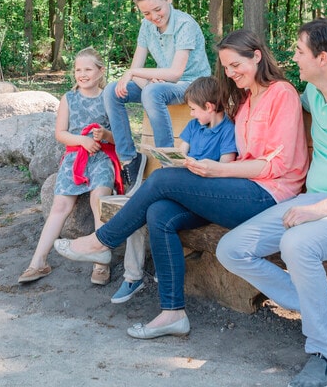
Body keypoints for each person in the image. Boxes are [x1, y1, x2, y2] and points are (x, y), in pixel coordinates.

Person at [54, 29, 309, 339]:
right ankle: (173, 313)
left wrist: (216, 170)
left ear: (256, 56)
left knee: (161, 179)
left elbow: (278, 165)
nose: (230, 73)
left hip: (268, 196)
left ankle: (102, 241)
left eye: (235, 65)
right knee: (160, 213)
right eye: (226, 67)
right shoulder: (244, 100)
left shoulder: (281, 93)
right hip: (237, 190)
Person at [216, 18, 327, 387]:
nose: (293, 57)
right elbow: (275, 109)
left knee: (296, 243)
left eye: (299, 51)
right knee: (232, 249)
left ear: (322, 57)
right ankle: (324, 310)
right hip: (314, 200)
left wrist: (316, 211)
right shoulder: (313, 93)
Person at [110, 75, 238, 305]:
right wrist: (176, 160)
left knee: (145, 203)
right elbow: (180, 153)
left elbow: (225, 169)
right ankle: (133, 276)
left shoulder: (228, 130)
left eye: (193, 109)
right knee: (144, 207)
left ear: (209, 107)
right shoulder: (194, 126)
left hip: (204, 192)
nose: (190, 114)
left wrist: (200, 168)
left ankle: (112, 246)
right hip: (183, 184)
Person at [18, 47, 123, 286]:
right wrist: (83, 140)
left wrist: (105, 134)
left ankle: (100, 262)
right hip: (75, 157)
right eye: (78, 70)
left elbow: (121, 138)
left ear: (100, 71)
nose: (82, 74)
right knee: (60, 206)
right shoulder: (69, 98)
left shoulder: (109, 97)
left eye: (88, 69)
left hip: (102, 157)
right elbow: (60, 133)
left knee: (99, 201)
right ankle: (38, 261)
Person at [105, 0, 212, 194]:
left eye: (157, 9)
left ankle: (166, 165)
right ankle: (129, 159)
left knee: (153, 90)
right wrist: (146, 82)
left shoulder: (185, 24)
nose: (153, 17)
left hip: (194, 85)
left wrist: (143, 79)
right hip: (166, 85)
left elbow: (175, 73)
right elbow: (137, 68)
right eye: (146, 13)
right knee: (111, 91)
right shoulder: (147, 27)